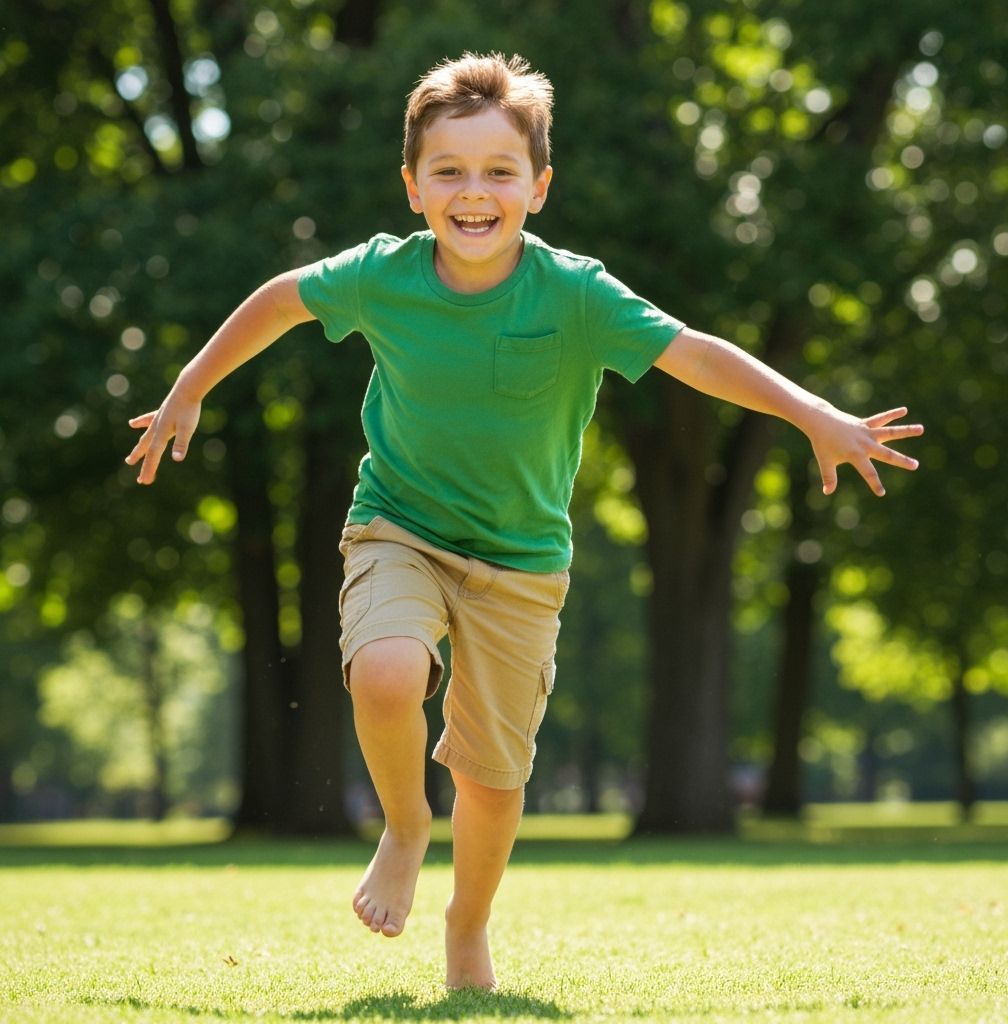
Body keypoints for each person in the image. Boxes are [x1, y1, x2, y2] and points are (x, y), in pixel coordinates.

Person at [125, 52, 923, 990]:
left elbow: (694, 354)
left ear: (538, 188)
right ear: (413, 187)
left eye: (499, 171)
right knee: (386, 672)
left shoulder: (577, 295)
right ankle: (404, 827)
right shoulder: (382, 275)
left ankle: (467, 925)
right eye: (449, 171)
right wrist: (190, 388)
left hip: (521, 563)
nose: (474, 192)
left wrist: (812, 413)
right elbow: (280, 301)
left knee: (494, 782)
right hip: (400, 528)